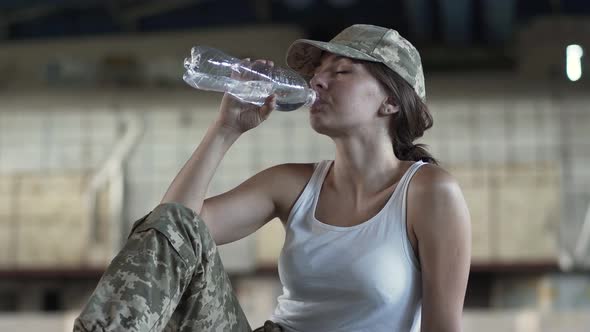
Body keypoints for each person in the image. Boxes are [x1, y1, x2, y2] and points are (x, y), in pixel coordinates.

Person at [74, 24, 471, 332]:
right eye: (317, 72)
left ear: (390, 100)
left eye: (342, 71)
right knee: (173, 224)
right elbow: (175, 227)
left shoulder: (430, 193)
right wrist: (226, 129)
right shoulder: (291, 184)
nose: (316, 81)